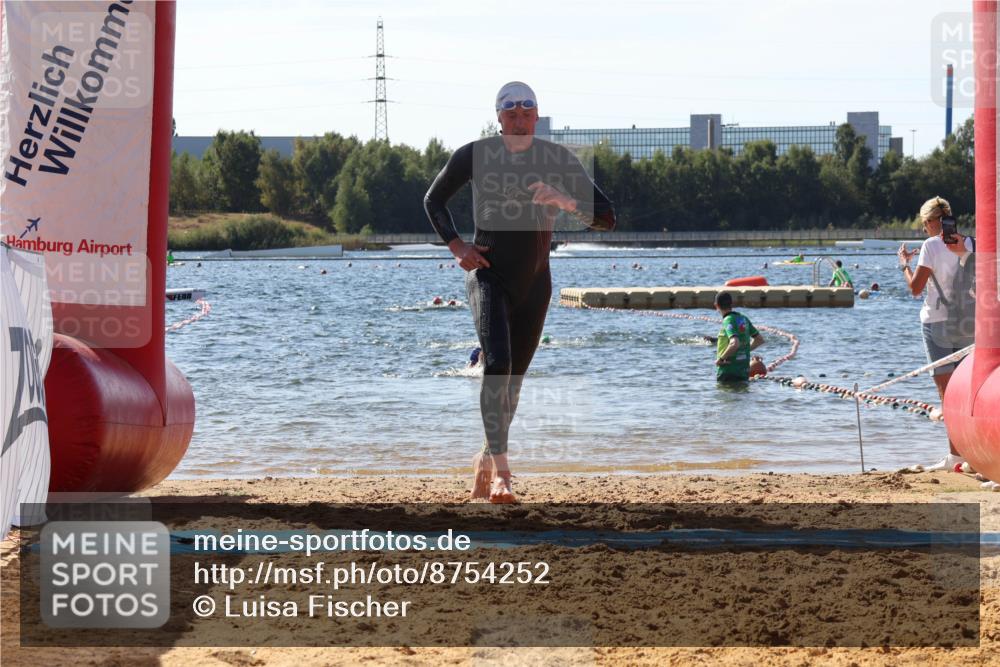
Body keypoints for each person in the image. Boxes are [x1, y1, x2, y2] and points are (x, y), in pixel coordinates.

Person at [424, 81, 616, 503]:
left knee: (513, 384)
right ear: (499, 117)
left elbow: (606, 218)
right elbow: (433, 200)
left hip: (536, 283)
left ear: (536, 114)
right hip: (488, 275)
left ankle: (485, 461)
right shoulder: (475, 155)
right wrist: (458, 246)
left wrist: (566, 201)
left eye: (527, 112)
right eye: (510, 113)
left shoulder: (556, 159)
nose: (519, 119)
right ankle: (503, 476)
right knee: (499, 363)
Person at [898, 196, 976, 472]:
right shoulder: (969, 243)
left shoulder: (931, 245)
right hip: (967, 322)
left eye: (924, 224)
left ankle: (955, 456)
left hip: (937, 322)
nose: (923, 230)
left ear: (932, 221)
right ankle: (973, 453)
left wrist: (905, 266)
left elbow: (916, 289)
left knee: (947, 392)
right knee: (967, 390)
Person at [713, 292, 765, 382]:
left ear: (716, 305)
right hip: (743, 371)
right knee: (741, 394)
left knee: (725, 395)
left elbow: (734, 343)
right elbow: (759, 340)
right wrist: (744, 350)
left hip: (728, 371)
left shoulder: (727, 320)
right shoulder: (743, 318)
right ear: (731, 304)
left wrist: (721, 359)